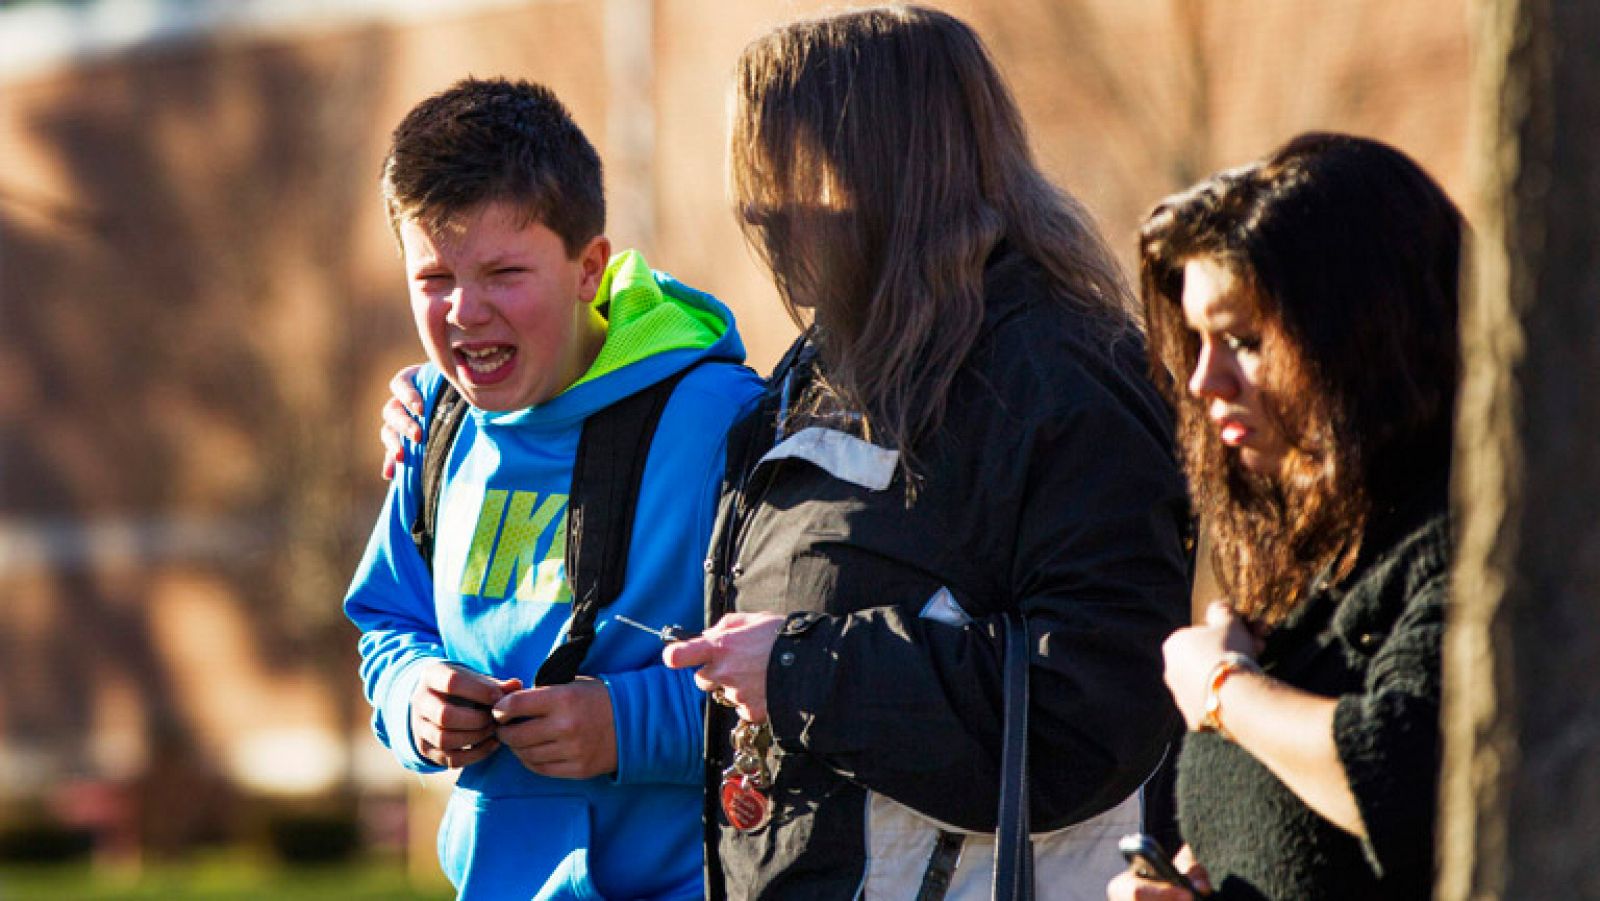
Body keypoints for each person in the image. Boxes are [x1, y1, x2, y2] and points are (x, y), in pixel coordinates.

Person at [657, 7, 1193, 898]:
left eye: (796, 173)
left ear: (894, 174)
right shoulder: (830, 360)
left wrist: (800, 670)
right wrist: (443, 403)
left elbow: (1094, 708)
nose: (762, 211)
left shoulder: (1063, 379)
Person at [344, 77, 761, 901]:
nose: (465, 311)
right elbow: (388, 623)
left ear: (589, 268)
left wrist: (628, 726)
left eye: (504, 272)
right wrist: (412, 695)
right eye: (434, 277)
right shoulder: (433, 424)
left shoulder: (721, 421)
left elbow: (808, 676)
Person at [1106, 132, 1462, 900]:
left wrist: (1223, 689)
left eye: (1242, 340)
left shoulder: (1460, 540)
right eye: (1198, 341)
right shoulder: (1319, 556)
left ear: (1365, 333)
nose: (1204, 379)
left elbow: (1401, 776)